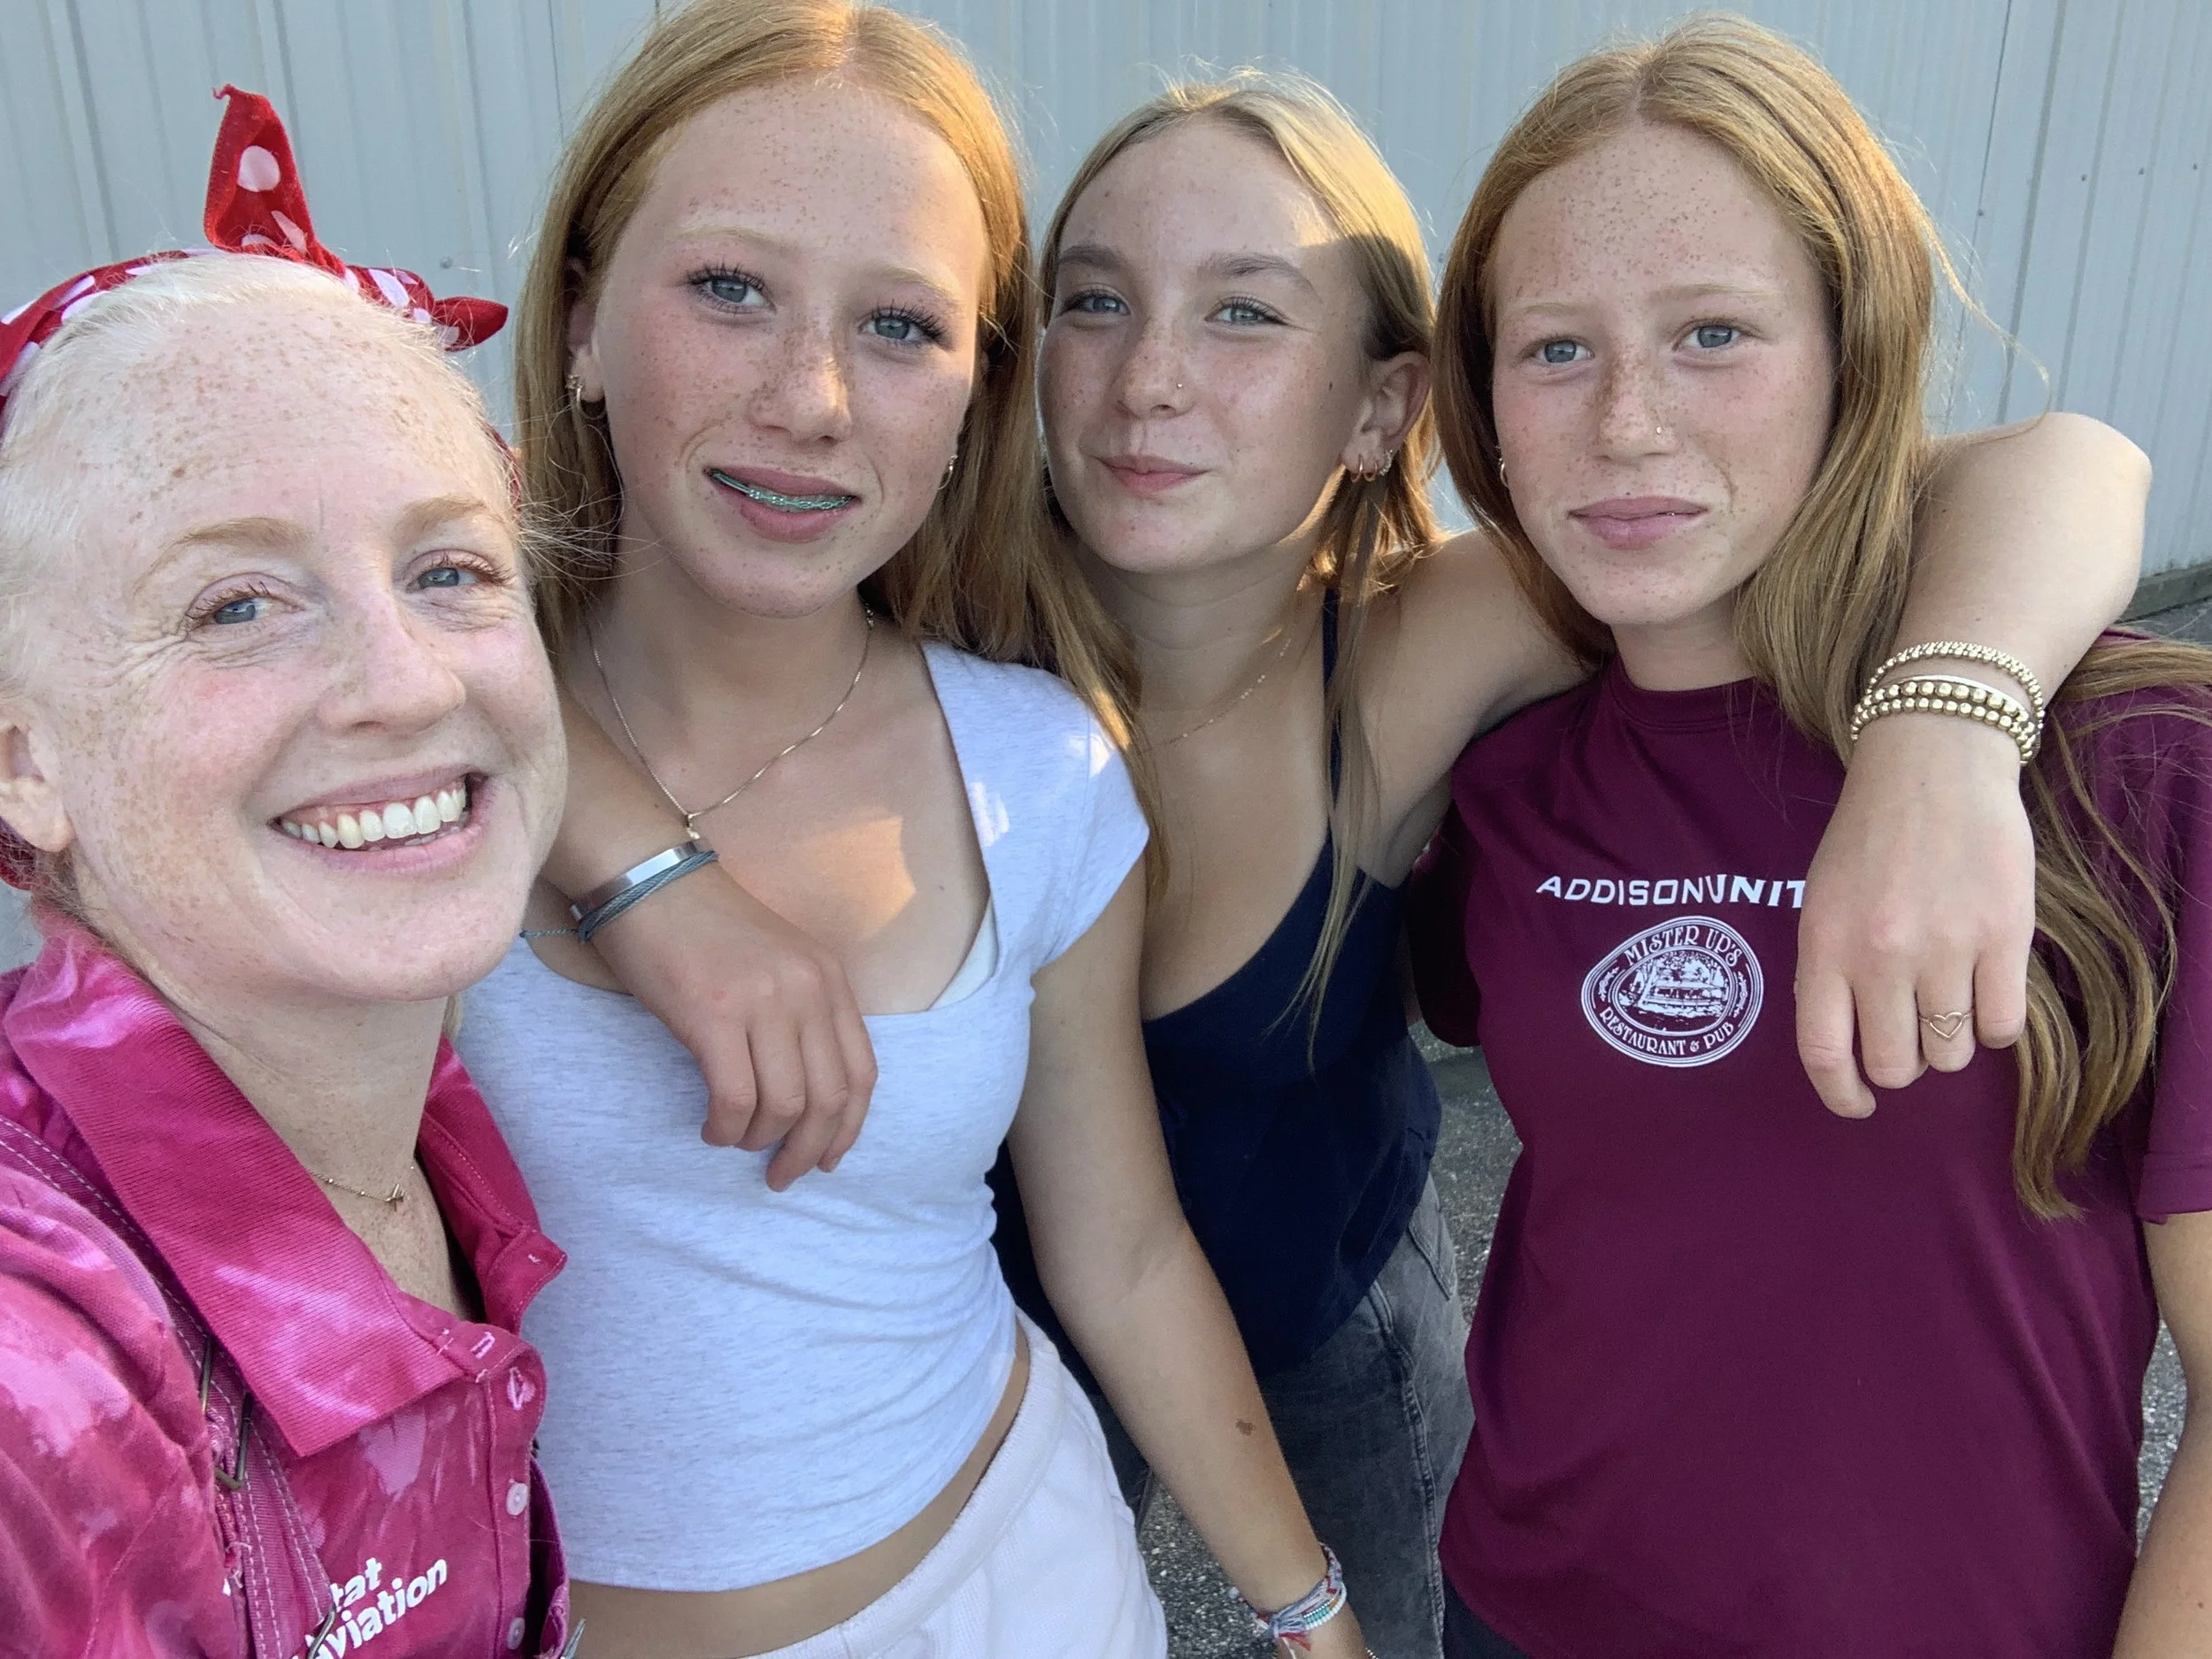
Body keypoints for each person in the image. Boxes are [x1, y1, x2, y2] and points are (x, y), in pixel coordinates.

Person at [555, 58, 2150, 1659]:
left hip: (1337, 1315)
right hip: (1009, 1327)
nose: (1151, 381)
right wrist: (644, 864)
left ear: (1385, 403)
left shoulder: (1450, 633)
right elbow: (485, 633)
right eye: (1098, 304)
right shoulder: (937, 605)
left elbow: (2057, 469)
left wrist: (1948, 727)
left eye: (1245, 313)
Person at [453, 4, 1366, 1655]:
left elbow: (1126, 1250)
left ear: (975, 396)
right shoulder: (411, 718)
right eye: (728, 288)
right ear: (578, 318)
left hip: (1016, 1589)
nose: (808, 398)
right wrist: (639, 864)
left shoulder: (1037, 768)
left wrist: (1310, 1613)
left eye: (900, 325)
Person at [1409, 16, 2203, 1656]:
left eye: (1714, 333)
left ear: (1859, 356)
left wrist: (1938, 733)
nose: (1627, 421)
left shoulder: (2139, 768)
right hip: (1524, 1612)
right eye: (1555, 348)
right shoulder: (1497, 783)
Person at [0, 93, 571, 1659]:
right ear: (18, 759)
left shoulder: (417, 1101)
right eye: (236, 606)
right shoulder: (41, 1385)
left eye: (450, 568)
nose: (401, 683)